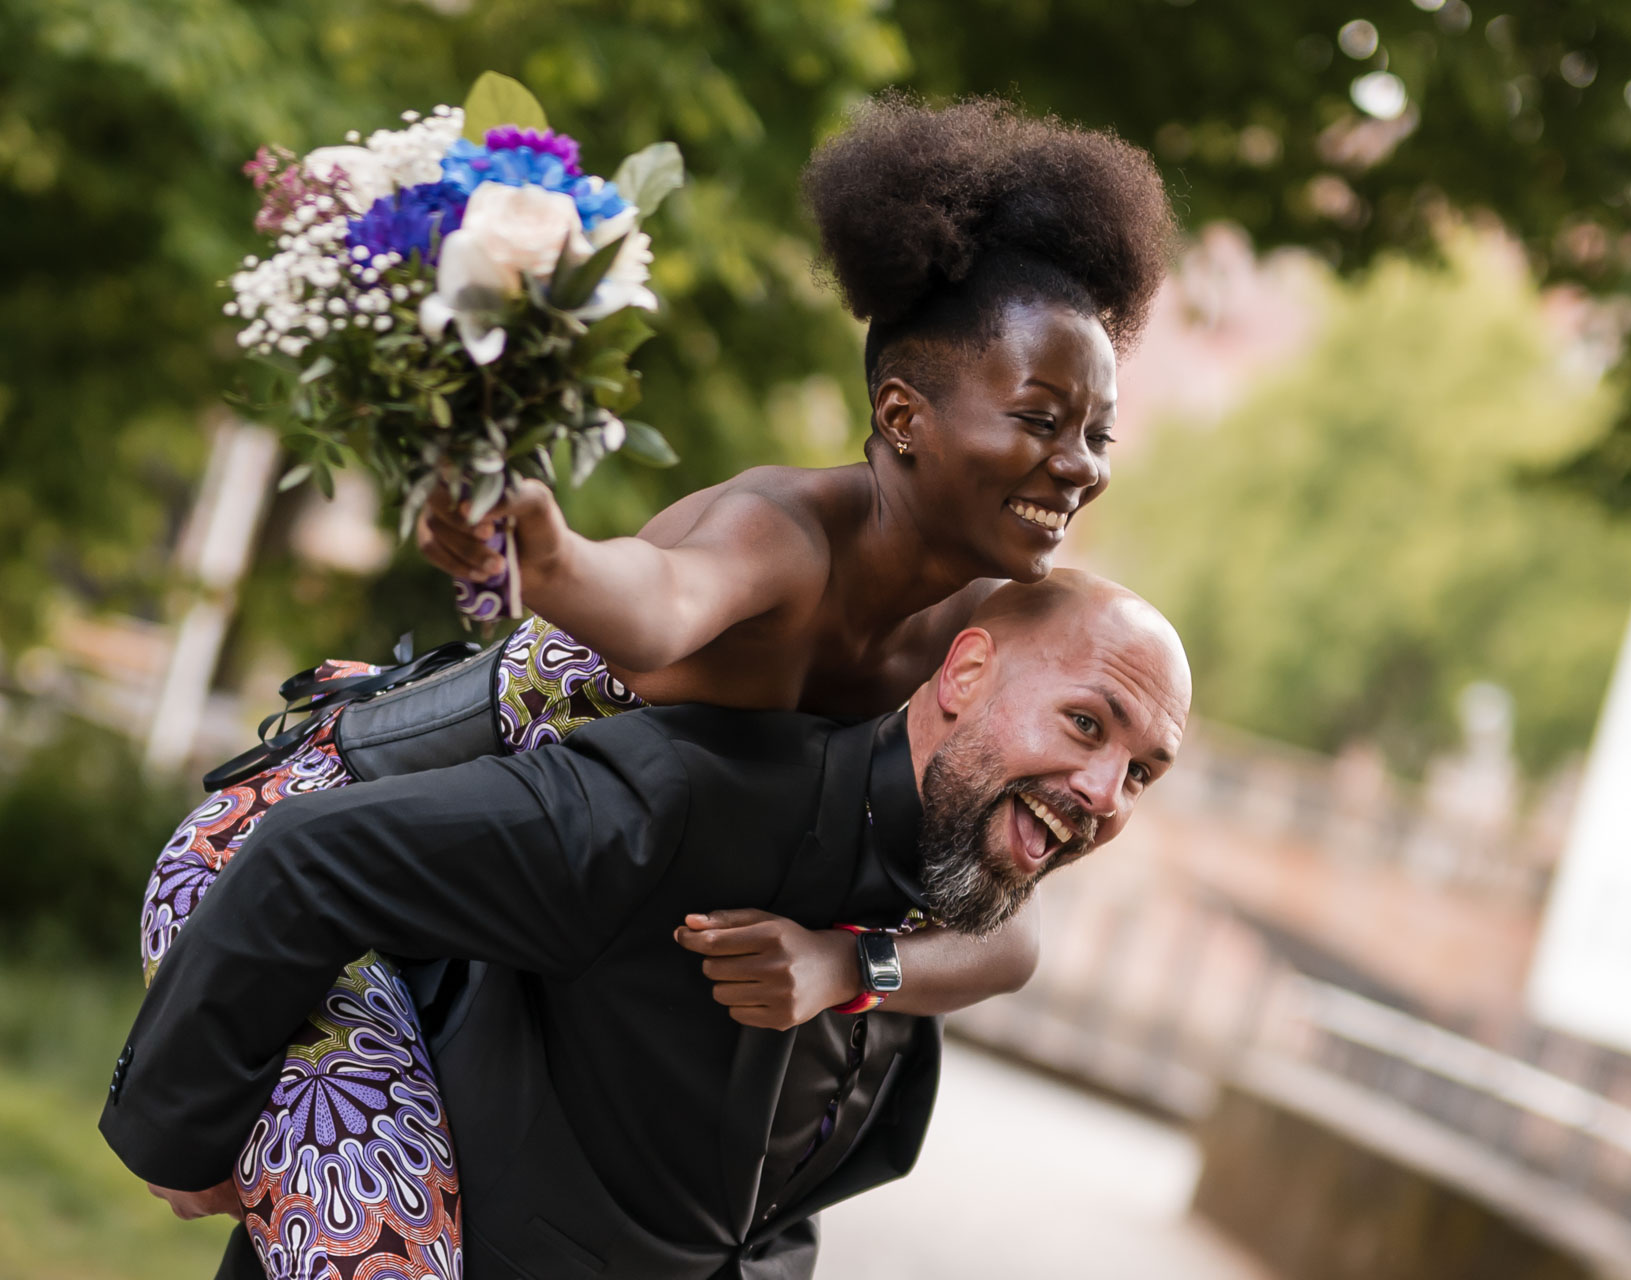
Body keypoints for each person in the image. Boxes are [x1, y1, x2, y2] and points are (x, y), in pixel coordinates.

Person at [137, 96, 1176, 1279]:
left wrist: (847, 968)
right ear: (902, 415)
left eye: (1098, 432)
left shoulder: (978, 627)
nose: (1079, 465)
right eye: (1043, 418)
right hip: (286, 850)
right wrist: (544, 547)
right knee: (390, 1254)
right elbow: (655, 599)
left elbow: (1009, 934)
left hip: (454, 879)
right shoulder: (780, 536)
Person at [108, 573, 1191, 1280]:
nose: (1104, 790)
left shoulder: (948, 881)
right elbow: (310, 853)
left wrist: (848, 966)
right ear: (964, 671)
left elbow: (768, 1188)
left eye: (1142, 770)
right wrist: (192, 1128)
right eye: (1086, 722)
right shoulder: (682, 801)